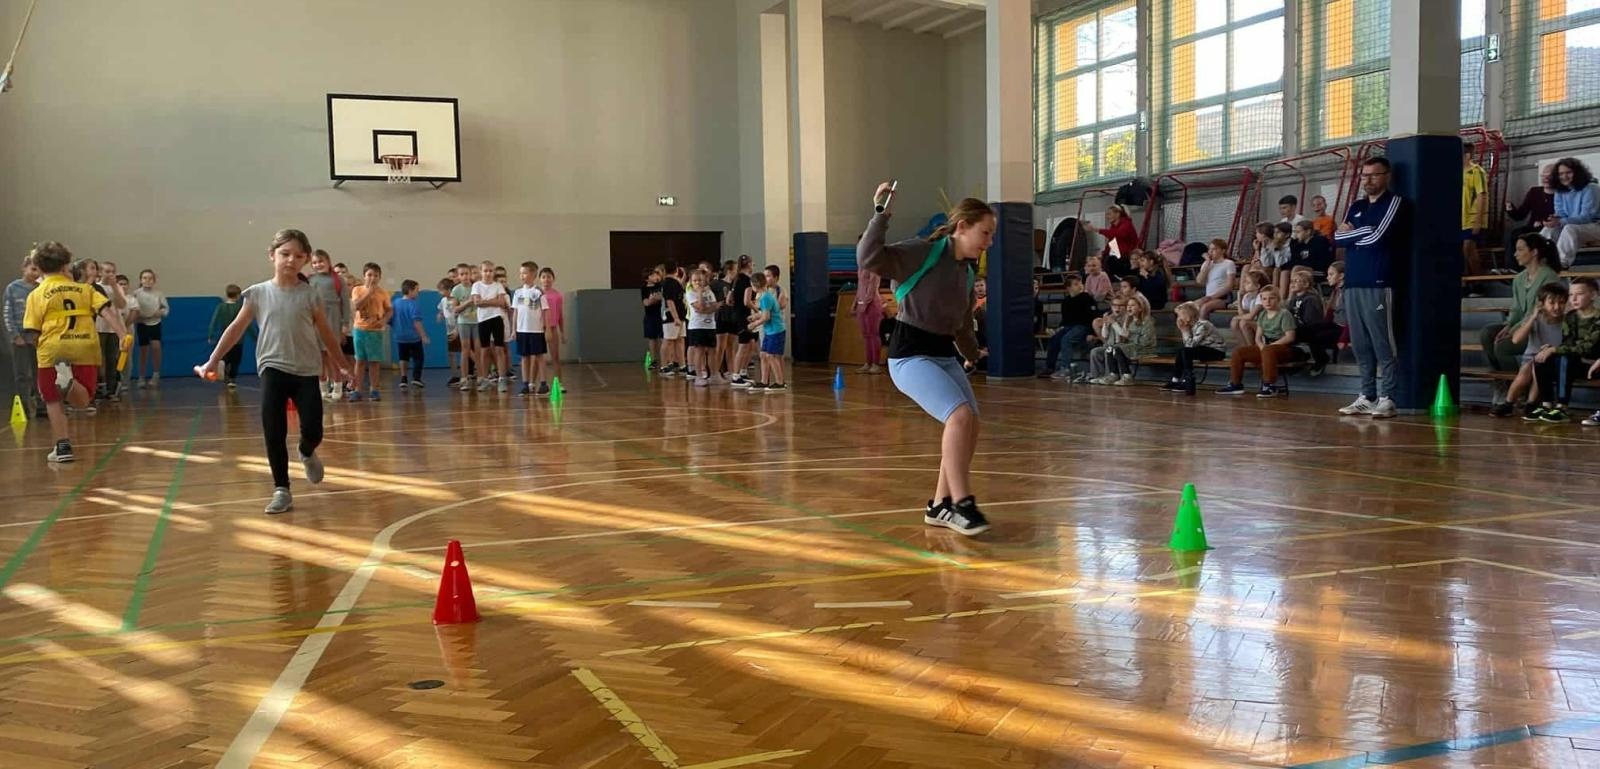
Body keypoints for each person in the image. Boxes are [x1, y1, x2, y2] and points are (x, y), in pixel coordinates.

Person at [858, 187, 992, 537]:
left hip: (944, 353)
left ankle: (939, 505)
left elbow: (962, 323)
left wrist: (972, 355)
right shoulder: (923, 252)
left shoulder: (965, 273)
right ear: (962, 227)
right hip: (909, 354)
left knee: (971, 424)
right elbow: (869, 257)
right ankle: (963, 505)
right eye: (985, 233)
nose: (989, 242)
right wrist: (880, 212)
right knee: (959, 417)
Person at [201, 229, 350, 514]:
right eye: (284, 254)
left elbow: (326, 333)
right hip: (272, 367)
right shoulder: (257, 293)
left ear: (306, 260)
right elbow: (235, 329)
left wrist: (342, 364)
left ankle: (306, 451)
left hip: (306, 370)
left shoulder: (310, 295)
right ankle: (282, 489)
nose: (290, 260)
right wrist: (213, 360)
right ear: (272, 256)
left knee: (314, 429)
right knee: (274, 430)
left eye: (298, 256)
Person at [22, 242, 128, 462]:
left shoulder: (37, 293)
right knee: (83, 400)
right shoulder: (85, 289)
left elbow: (32, 330)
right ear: (65, 266)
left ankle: (62, 447)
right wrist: (121, 335)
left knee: (52, 398)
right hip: (84, 346)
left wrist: (38, 348)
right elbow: (107, 311)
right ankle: (69, 382)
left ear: (40, 269)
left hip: (52, 348)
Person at [1334, 157, 1403, 418]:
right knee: (1360, 344)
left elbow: (1378, 236)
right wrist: (1361, 233)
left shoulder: (1394, 202)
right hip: (1352, 282)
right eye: (1364, 176)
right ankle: (1366, 395)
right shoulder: (1357, 205)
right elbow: (1338, 237)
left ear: (1386, 175)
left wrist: (1355, 234)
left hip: (1378, 281)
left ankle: (1388, 397)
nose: (1368, 180)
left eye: (1374, 175)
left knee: (1382, 342)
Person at [1491, 282, 1569, 419]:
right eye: (1552, 303)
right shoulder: (1536, 319)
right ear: (1542, 303)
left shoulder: (1567, 320)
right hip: (1531, 357)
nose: (1557, 307)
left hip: (1554, 358)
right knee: (1531, 365)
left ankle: (1523, 403)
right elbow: (1516, 339)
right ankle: (1517, 404)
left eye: (1561, 303)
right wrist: (1533, 318)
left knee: (1536, 364)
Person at [1529, 277, 1600, 424]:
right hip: (1576, 363)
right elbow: (1568, 343)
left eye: (1579, 294)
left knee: (1564, 357)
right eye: (1571, 294)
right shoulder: (1570, 316)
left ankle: (1562, 407)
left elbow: (1586, 347)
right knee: (1541, 358)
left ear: (1593, 295)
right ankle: (1546, 405)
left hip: (1594, 364)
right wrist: (1550, 349)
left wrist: (1556, 349)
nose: (1573, 298)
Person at [1218, 286, 1303, 398]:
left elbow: (1289, 337)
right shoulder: (1262, 315)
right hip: (1267, 347)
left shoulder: (1284, 314)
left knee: (1268, 350)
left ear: (1277, 299)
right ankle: (1235, 384)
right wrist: (1261, 346)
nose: (1267, 301)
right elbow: (1258, 337)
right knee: (1239, 352)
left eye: (1271, 298)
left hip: (1284, 347)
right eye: (1264, 299)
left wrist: (1270, 346)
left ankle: (1269, 385)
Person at [1541, 158, 1600, 270]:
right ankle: (1539, 261)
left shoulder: (1592, 188)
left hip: (1595, 225)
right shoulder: (1559, 191)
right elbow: (1561, 214)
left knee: (1569, 229)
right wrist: (1553, 220)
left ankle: (1560, 264)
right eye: (1561, 174)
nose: (1564, 176)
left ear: (1578, 173)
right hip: (1574, 225)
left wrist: (1560, 221)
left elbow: (1587, 217)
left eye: (1568, 172)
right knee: (1548, 230)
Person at [308, 250, 350, 400]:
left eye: (320, 261)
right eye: (314, 262)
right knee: (320, 356)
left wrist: (345, 324)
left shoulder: (338, 280)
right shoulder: (310, 280)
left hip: (333, 319)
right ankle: (322, 385)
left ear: (328, 261)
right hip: (314, 321)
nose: (318, 265)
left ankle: (338, 384)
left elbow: (345, 303)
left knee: (333, 355)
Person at [4, 255, 42, 417]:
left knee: (39, 373)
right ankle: (24, 406)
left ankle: (41, 405)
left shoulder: (40, 289)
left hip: (37, 338)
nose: (35, 274)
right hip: (19, 336)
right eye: (33, 269)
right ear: (24, 268)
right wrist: (14, 335)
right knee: (22, 374)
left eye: (38, 271)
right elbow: (7, 313)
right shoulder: (13, 288)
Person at [349, 262, 392, 401]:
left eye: (375, 275)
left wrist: (384, 320)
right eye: (369, 275)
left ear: (379, 277)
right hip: (360, 329)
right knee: (360, 360)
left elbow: (389, 310)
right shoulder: (358, 290)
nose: (372, 278)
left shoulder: (383, 293)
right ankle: (357, 389)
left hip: (375, 331)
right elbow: (356, 305)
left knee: (374, 361)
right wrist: (369, 292)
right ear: (364, 276)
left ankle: (374, 389)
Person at [1041, 274, 1097, 381]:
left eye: (1080, 283)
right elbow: (1065, 319)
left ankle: (1065, 368)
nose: (1080, 286)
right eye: (1076, 284)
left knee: (1066, 340)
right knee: (1054, 339)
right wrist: (1059, 328)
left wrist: (1091, 332)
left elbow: (1092, 316)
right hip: (1068, 326)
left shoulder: (1087, 298)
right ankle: (1049, 367)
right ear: (1068, 288)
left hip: (1082, 326)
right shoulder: (1066, 301)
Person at [1165, 301, 1228, 395]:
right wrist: (1185, 330)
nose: (1178, 319)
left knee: (1186, 351)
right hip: (1202, 349)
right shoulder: (1190, 326)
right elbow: (1188, 346)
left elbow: (1191, 345)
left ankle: (1189, 379)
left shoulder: (1203, 325)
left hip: (1216, 351)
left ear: (1188, 316)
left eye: (1180, 316)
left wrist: (1184, 331)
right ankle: (1175, 380)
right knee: (1181, 351)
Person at [1502, 166, 1556, 273]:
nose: (1545, 178)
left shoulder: (1562, 195)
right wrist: (1510, 208)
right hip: (1531, 229)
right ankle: (1513, 268)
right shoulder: (1534, 192)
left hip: (1549, 229)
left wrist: (1543, 222)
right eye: (1543, 176)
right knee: (1515, 234)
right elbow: (1520, 215)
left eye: (1549, 176)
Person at [1289, 267, 1338, 376]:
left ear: (1306, 284)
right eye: (1292, 281)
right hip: (1298, 328)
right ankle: (1295, 357)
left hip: (1312, 328)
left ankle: (1320, 359)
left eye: (1297, 281)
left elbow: (1311, 321)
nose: (1293, 284)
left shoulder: (1311, 299)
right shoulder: (1293, 300)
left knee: (1305, 334)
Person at [512, 261, 551, 397]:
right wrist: (514, 329)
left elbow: (546, 311)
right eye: (521, 273)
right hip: (522, 330)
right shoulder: (517, 293)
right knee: (524, 357)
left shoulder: (538, 292)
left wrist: (547, 329)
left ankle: (543, 383)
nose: (522, 276)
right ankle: (525, 384)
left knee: (539, 356)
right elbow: (515, 312)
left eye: (525, 273)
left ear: (533, 274)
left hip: (537, 330)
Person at [747, 270, 787, 392]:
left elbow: (766, 317)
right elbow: (765, 313)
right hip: (770, 331)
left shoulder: (765, 298)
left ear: (754, 285)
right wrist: (755, 316)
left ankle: (780, 382)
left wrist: (754, 324)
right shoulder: (766, 295)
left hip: (776, 330)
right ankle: (764, 381)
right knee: (763, 355)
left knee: (771, 356)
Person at [130, 268, 169, 388]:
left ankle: (156, 374)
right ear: (141, 280)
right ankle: (141, 376)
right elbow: (132, 308)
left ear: (154, 280)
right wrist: (137, 317)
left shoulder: (158, 294)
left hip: (155, 323)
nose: (147, 280)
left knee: (156, 347)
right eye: (145, 278)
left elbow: (166, 309)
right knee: (143, 350)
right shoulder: (136, 294)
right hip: (142, 324)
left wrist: (160, 312)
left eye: (150, 278)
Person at [685, 268, 721, 387]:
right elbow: (699, 307)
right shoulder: (690, 293)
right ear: (691, 282)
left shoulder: (710, 292)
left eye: (700, 280)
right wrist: (700, 294)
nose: (698, 283)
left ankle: (714, 375)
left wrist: (706, 309)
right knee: (699, 351)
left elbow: (714, 307)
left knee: (712, 351)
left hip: (710, 325)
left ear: (705, 280)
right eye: (695, 280)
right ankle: (699, 376)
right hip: (697, 326)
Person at [207, 284, 248, 388]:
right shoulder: (240, 307)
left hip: (224, 338)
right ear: (238, 295)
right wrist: (256, 337)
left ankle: (224, 371)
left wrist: (210, 335)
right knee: (236, 360)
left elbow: (214, 322)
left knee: (226, 357)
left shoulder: (221, 307)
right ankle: (232, 379)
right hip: (238, 339)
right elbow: (247, 324)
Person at [1081, 204, 1139, 276]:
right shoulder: (1113, 226)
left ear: (1118, 214)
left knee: (1110, 261)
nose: (1107, 217)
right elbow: (1112, 242)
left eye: (1109, 214)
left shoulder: (1127, 223)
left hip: (1128, 256)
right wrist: (1103, 254)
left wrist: (1096, 229)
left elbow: (1119, 234)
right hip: (1118, 255)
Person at [392, 279, 429, 389]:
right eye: (417, 290)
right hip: (413, 337)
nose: (418, 292)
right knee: (419, 358)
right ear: (410, 291)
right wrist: (423, 335)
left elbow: (390, 318)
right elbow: (417, 322)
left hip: (400, 337)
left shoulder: (395, 303)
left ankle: (403, 378)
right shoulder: (413, 304)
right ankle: (416, 378)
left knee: (403, 358)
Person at [452, 263, 481, 391]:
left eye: (467, 274)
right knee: (465, 350)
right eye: (461, 274)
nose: (465, 276)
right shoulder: (456, 290)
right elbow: (455, 309)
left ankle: (481, 376)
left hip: (477, 322)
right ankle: (464, 378)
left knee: (479, 349)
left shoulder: (476, 287)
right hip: (463, 322)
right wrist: (469, 302)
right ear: (458, 276)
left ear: (471, 274)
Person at [853, 259, 885, 374]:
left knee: (873, 334)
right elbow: (860, 287)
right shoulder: (861, 267)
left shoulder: (874, 266)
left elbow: (872, 287)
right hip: (862, 303)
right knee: (866, 335)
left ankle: (876, 364)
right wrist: (855, 304)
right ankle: (868, 363)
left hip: (872, 305)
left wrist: (865, 304)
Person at [1463, 142, 1489, 277]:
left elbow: (1481, 195)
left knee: (1468, 247)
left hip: (1472, 219)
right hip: (1461, 219)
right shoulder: (1455, 173)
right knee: (1462, 251)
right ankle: (1468, 283)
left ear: (1467, 155)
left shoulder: (1477, 171)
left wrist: (1478, 221)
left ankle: (1479, 281)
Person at [731, 255, 757, 386]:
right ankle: (735, 376)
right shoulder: (746, 281)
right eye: (753, 264)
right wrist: (757, 309)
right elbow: (746, 301)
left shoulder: (736, 279)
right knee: (742, 346)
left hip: (738, 314)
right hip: (744, 316)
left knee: (750, 344)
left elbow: (729, 300)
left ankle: (742, 372)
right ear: (749, 265)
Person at [1195, 239, 1237, 321]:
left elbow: (1229, 286)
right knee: (1189, 307)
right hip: (1208, 296)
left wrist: (1211, 297)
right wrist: (1207, 262)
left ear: (1223, 251)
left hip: (1223, 298)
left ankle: (1202, 331)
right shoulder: (1207, 264)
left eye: (1214, 249)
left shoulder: (1228, 263)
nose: (1211, 252)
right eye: (1210, 249)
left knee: (1204, 308)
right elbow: (1199, 281)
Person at [659, 260, 686, 376]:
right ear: (676, 270)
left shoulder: (675, 282)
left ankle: (682, 365)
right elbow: (670, 301)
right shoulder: (668, 283)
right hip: (672, 316)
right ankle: (664, 366)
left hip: (680, 315)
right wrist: (675, 317)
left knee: (680, 340)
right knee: (668, 340)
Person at [540, 267, 565, 386]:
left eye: (549, 277)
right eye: (543, 277)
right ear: (540, 279)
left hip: (553, 328)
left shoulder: (557, 295)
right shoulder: (537, 293)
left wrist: (562, 332)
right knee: (537, 358)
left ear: (553, 279)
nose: (546, 280)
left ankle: (558, 383)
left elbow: (560, 315)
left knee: (555, 357)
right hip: (539, 329)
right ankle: (535, 383)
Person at [436, 276, 461, 387]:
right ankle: (455, 375)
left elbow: (460, 316)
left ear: (448, 289)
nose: (440, 293)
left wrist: (457, 330)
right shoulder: (443, 300)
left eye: (441, 290)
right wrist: (440, 315)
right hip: (449, 330)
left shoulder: (455, 300)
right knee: (451, 353)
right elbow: (441, 310)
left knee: (466, 352)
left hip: (459, 329)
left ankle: (473, 373)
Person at [640, 266, 664, 371]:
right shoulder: (644, 288)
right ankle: (654, 360)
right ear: (647, 278)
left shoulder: (660, 286)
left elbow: (662, 297)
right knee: (652, 338)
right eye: (652, 275)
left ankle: (665, 360)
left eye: (656, 274)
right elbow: (646, 302)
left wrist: (654, 299)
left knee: (663, 339)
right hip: (650, 316)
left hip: (661, 315)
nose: (655, 277)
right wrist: (654, 299)